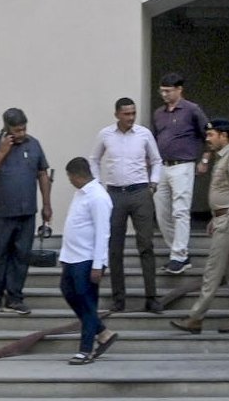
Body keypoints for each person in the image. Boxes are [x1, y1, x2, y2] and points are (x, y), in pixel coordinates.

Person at [171, 119, 229, 334]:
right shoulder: (223, 158)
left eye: (211, 135)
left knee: (212, 269)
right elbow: (226, 193)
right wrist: (215, 216)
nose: (207, 139)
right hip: (224, 217)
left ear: (224, 136)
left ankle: (195, 317)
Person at [90, 97, 164, 313]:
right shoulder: (105, 134)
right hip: (114, 194)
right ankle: (118, 298)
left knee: (146, 245)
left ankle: (151, 297)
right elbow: (93, 159)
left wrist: (153, 183)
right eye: (126, 114)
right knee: (114, 247)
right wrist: (98, 185)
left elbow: (157, 160)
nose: (131, 118)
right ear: (117, 115)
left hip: (140, 191)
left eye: (133, 113)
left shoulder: (144, 134)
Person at [0, 107, 53, 316]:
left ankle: (15, 298)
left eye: (23, 129)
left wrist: (47, 204)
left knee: (21, 256)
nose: (21, 134)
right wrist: (2, 153)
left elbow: (42, 174)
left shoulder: (34, 144)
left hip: (26, 211)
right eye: (17, 130)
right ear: (6, 128)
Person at [59, 157, 117, 365]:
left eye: (70, 176)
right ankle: (102, 331)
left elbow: (103, 233)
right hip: (72, 256)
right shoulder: (80, 194)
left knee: (88, 302)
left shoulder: (98, 197)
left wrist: (98, 264)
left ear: (77, 175)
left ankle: (86, 350)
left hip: (87, 258)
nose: (70, 181)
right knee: (68, 292)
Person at [152, 72, 210, 275]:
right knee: (162, 212)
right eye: (162, 91)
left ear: (179, 90)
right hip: (162, 166)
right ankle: (178, 252)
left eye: (168, 91)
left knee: (180, 210)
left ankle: (178, 254)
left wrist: (204, 159)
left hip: (183, 165)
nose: (165, 95)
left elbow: (208, 135)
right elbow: (155, 137)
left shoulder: (192, 110)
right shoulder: (159, 113)